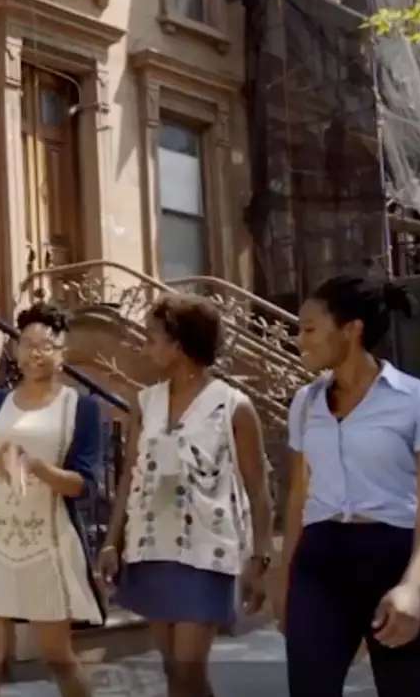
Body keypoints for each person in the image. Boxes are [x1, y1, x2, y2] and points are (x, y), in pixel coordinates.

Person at [279, 275, 420, 696]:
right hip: (320, 565)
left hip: (395, 558)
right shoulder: (303, 403)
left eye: (308, 329)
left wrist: (414, 586)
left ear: (351, 329)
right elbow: (298, 496)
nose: (298, 339)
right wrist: (284, 577)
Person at [98, 294, 274, 697]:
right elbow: (130, 474)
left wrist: (260, 557)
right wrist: (112, 541)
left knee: (189, 669)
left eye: (153, 338)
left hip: (207, 550)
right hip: (151, 545)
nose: (146, 347)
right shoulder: (146, 402)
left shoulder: (234, 406)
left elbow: (258, 488)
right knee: (173, 671)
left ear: (179, 344)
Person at [0, 302, 106, 697]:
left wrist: (39, 469)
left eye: (46, 345)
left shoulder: (83, 409)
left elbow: (86, 485)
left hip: (49, 544)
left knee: (58, 655)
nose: (35, 352)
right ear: (15, 349)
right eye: (26, 343)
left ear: (63, 353)